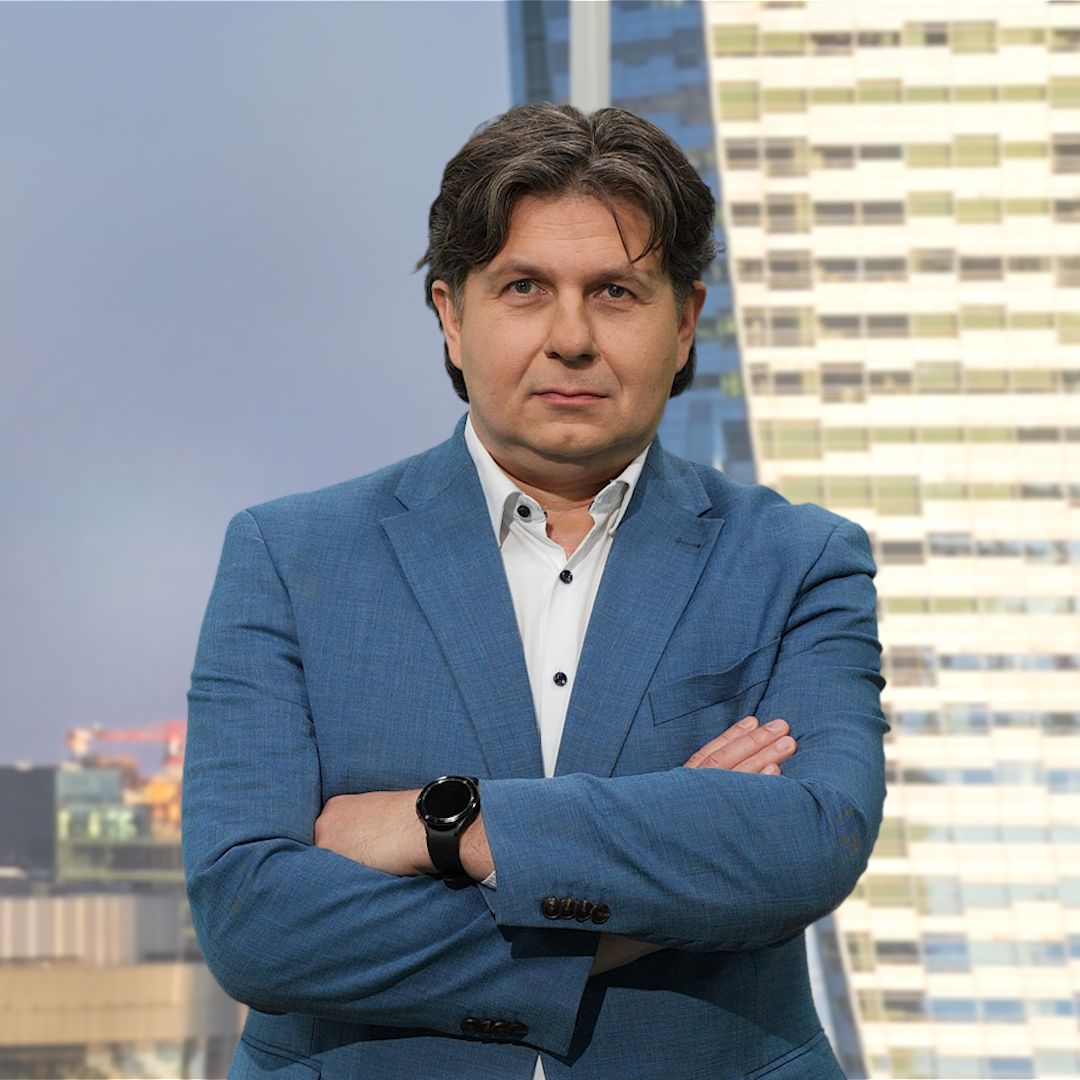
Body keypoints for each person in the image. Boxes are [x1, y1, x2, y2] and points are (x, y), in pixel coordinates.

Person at [183, 104, 886, 1080]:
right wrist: (651, 892)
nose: (572, 337)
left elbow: (806, 847)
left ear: (685, 321)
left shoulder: (799, 559)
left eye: (615, 292)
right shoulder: (289, 557)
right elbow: (253, 925)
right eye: (525, 288)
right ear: (451, 316)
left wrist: (446, 824)